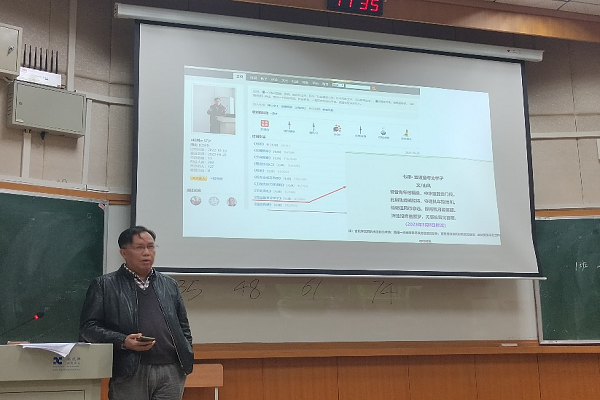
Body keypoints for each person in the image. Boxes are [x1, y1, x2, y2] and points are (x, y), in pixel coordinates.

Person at [79, 226, 194, 400]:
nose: (147, 253)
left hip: (171, 369)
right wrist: (123, 341)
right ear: (123, 252)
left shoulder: (169, 285)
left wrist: (186, 351)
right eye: (139, 247)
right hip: (130, 369)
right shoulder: (105, 285)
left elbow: (183, 326)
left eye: (151, 246)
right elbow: (88, 328)